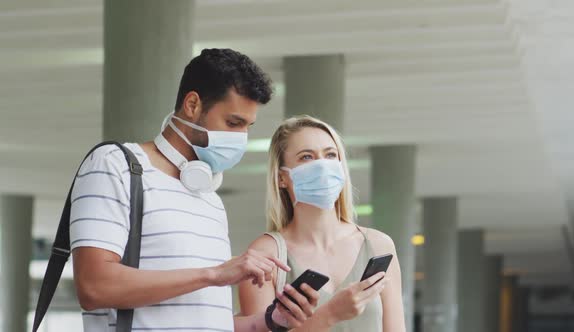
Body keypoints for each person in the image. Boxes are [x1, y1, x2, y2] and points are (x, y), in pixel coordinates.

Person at [70, 49, 319, 332]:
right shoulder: (117, 166)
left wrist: (271, 321)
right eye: (233, 123)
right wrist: (214, 274)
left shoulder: (209, 198)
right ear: (192, 104)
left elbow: (208, 318)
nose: (240, 137)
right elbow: (93, 286)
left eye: (247, 126)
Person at [239, 116, 406, 331]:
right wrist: (330, 315)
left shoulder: (377, 244)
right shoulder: (266, 254)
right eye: (307, 157)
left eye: (330, 155)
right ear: (282, 177)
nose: (322, 165)